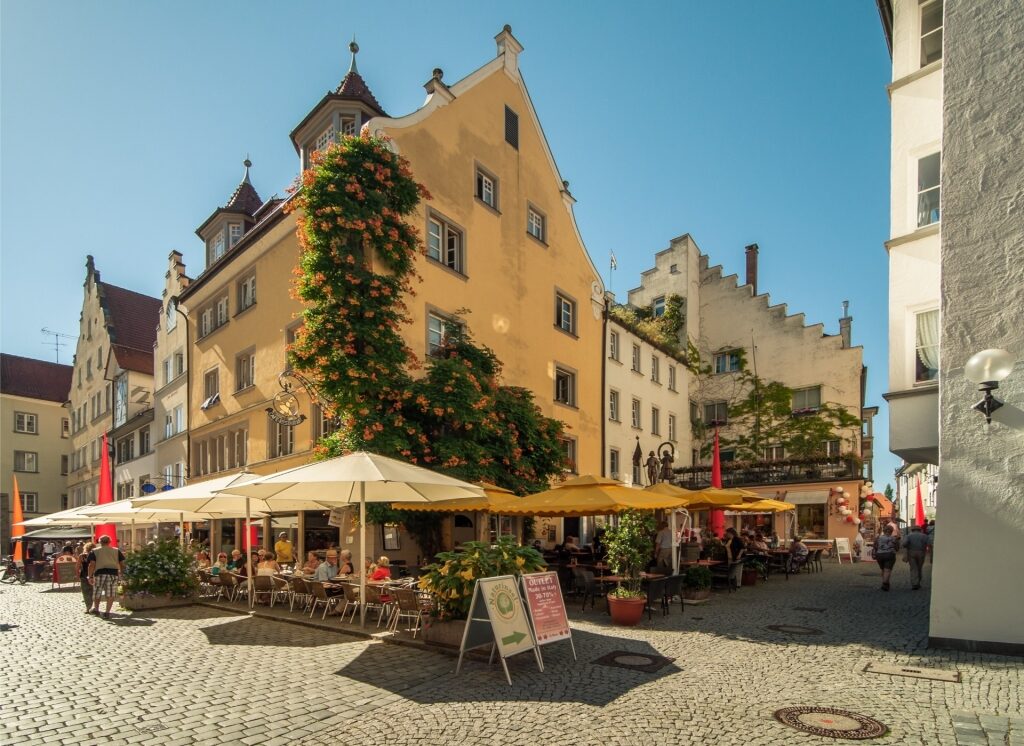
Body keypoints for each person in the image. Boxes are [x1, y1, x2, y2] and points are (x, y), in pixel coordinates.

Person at [87, 536, 125, 619]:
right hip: (113, 573)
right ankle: (107, 612)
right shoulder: (116, 550)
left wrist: (90, 576)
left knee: (97, 592)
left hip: (99, 573)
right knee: (110, 593)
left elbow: (92, 564)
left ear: (100, 542)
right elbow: (122, 564)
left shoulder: (94, 551)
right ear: (109, 542)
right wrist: (121, 573)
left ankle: (96, 609)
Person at [872, 524, 900, 591]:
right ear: (891, 531)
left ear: (884, 531)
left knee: (883, 569)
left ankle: (885, 583)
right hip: (890, 554)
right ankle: (885, 583)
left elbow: (875, 546)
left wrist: (877, 551)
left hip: (880, 555)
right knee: (887, 570)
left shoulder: (878, 538)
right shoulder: (894, 538)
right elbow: (897, 548)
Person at [902, 525, 929, 590]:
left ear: (912, 530)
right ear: (920, 530)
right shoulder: (924, 536)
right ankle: (918, 582)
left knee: (913, 568)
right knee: (919, 568)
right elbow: (929, 544)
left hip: (911, 553)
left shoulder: (908, 536)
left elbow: (904, 544)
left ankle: (915, 583)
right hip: (921, 552)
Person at [78, 542, 95, 613]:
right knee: (93, 591)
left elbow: (78, 566)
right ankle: (94, 607)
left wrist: (77, 574)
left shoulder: (81, 556)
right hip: (93, 575)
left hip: (83, 574)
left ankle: (88, 607)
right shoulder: (95, 555)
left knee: (85, 592)